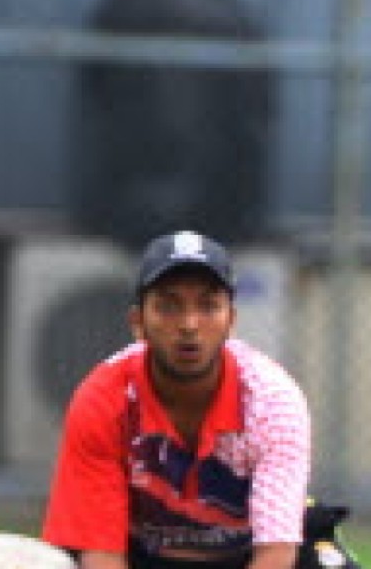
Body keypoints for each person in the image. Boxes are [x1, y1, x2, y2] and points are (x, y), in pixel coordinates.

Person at [41, 230, 314, 569]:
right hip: (142, 558)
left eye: (208, 305)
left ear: (231, 321)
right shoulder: (103, 399)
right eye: (168, 306)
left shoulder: (274, 402)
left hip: (244, 558)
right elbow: (102, 554)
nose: (188, 324)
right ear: (138, 322)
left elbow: (275, 553)